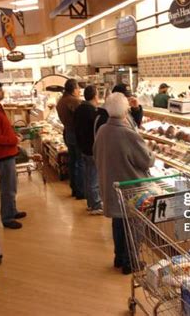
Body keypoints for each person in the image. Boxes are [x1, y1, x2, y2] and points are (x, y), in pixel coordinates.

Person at [94, 92, 155, 275]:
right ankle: (132, 262)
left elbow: (96, 153)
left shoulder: (103, 130)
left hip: (112, 186)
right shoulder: (128, 134)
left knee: (118, 223)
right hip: (132, 190)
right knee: (134, 227)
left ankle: (119, 258)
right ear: (125, 110)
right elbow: (146, 161)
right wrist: (152, 153)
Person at [0, 79, 26, 229]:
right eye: (0, 90)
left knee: (12, 185)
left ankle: (12, 210)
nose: (3, 92)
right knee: (7, 187)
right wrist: (14, 140)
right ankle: (7, 218)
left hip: (8, 152)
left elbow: (4, 131)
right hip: (2, 155)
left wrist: (15, 137)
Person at [73, 85, 103, 215]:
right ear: (95, 96)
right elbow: (95, 131)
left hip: (83, 147)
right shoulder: (92, 111)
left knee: (88, 176)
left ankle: (91, 203)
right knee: (94, 178)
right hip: (92, 148)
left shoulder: (79, 108)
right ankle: (96, 205)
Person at [57, 79, 85, 199]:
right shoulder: (74, 101)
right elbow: (80, 118)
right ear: (74, 89)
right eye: (78, 88)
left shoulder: (61, 101)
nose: (79, 91)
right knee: (79, 162)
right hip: (76, 134)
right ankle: (80, 191)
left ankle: (74, 188)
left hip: (67, 133)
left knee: (73, 161)